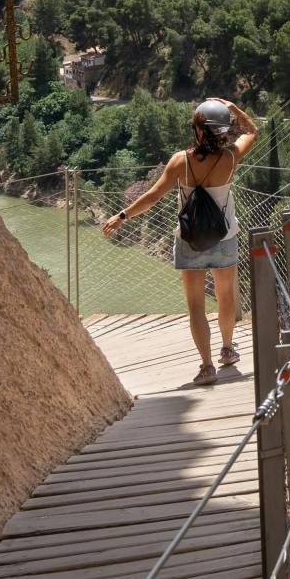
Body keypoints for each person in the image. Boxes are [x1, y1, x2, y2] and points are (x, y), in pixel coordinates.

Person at [103, 97, 259, 386]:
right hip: (224, 238)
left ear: (198, 130)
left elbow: (152, 197)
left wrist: (122, 215)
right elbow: (252, 130)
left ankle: (207, 366)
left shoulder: (180, 161)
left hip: (189, 240)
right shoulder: (230, 158)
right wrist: (232, 107)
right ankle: (227, 349)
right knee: (226, 296)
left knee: (196, 306)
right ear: (223, 130)